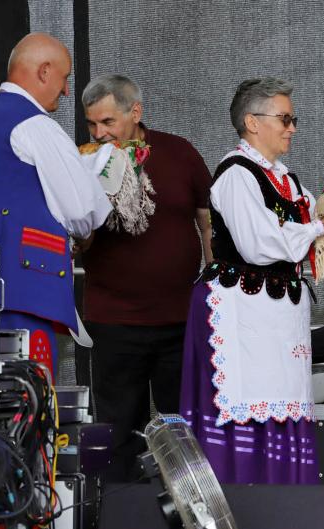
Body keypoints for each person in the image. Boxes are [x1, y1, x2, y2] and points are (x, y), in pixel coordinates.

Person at [179, 78, 324, 484]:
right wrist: (319, 227)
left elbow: (319, 232)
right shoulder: (236, 175)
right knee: (245, 406)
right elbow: (258, 244)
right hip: (240, 314)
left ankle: (286, 501)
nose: (292, 128)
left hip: (275, 318)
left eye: (293, 119)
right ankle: (241, 500)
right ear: (252, 122)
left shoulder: (287, 180)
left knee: (283, 403)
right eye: (285, 119)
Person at [0, 33, 111, 380]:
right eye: (64, 78)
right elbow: (81, 210)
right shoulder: (34, 125)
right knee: (30, 396)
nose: (66, 90)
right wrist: (85, 234)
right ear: (44, 71)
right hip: (23, 289)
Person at [79, 74, 213, 480]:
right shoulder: (85, 161)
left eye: (108, 122)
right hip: (114, 320)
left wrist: (214, 285)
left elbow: (207, 221)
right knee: (119, 430)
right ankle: (120, 511)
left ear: (135, 112)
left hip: (179, 319)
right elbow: (80, 237)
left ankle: (192, 508)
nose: (99, 133)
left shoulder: (179, 152)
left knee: (185, 430)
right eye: (91, 124)